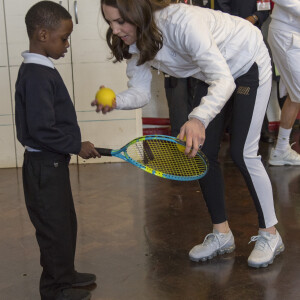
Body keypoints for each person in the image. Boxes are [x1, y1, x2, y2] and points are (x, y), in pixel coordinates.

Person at [92, 0, 284, 268]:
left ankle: (270, 234)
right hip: (213, 75)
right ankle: (221, 234)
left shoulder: (182, 23)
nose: (115, 30)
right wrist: (117, 101)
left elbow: (225, 80)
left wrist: (197, 118)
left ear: (138, 14)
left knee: (243, 153)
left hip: (246, 61)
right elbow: (140, 92)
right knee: (202, 154)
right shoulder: (136, 40)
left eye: (120, 21)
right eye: (110, 22)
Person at [15, 2, 100, 299]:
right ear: (42, 34)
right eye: (63, 38)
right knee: (53, 230)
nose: (66, 44)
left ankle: (65, 274)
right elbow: (40, 128)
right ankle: (54, 289)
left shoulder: (42, 70)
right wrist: (76, 145)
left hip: (52, 164)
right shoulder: (37, 74)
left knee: (64, 223)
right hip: (43, 167)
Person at [267, 0, 300, 166]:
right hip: (287, 33)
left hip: (294, 33)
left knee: (295, 95)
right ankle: (280, 150)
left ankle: (281, 150)